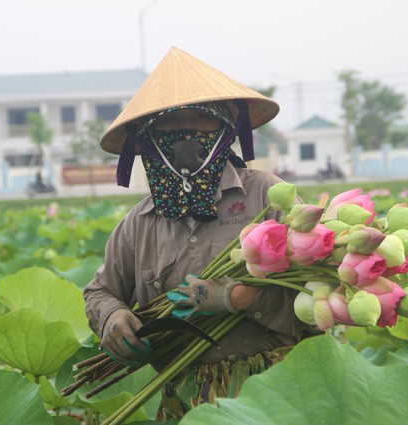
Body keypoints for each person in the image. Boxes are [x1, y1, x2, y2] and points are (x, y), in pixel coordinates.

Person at [83, 47, 316, 420]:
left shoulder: (267, 196)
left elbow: (315, 289)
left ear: (225, 128)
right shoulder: (138, 224)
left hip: (276, 393)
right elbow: (100, 291)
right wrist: (111, 317)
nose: (184, 132)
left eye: (200, 120)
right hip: (182, 397)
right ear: (147, 138)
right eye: (169, 124)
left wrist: (235, 298)